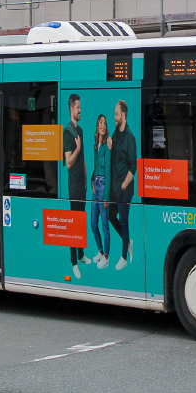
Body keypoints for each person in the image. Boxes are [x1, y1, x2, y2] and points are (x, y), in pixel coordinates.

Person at [62, 93, 90, 279]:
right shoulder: (68, 132)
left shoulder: (80, 131)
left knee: (81, 220)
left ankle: (81, 255)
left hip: (82, 182)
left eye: (80, 107)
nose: (80, 110)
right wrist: (77, 148)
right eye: (78, 107)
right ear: (72, 109)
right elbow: (69, 162)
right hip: (73, 184)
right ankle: (73, 262)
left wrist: (87, 178)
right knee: (74, 223)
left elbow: (83, 158)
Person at [107, 99, 136, 271]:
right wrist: (111, 148)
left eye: (116, 114)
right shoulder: (116, 134)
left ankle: (124, 256)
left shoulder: (130, 138)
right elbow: (115, 159)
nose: (114, 117)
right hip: (114, 187)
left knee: (124, 222)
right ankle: (128, 241)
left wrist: (124, 185)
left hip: (124, 188)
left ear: (123, 115)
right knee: (111, 216)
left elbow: (133, 167)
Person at [89, 114, 112, 269]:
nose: (102, 125)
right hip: (96, 184)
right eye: (100, 122)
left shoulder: (107, 145)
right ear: (97, 126)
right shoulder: (95, 144)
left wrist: (107, 196)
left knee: (104, 224)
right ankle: (100, 250)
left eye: (104, 123)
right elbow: (95, 165)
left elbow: (109, 170)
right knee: (92, 222)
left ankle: (106, 256)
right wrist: (92, 179)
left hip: (104, 185)